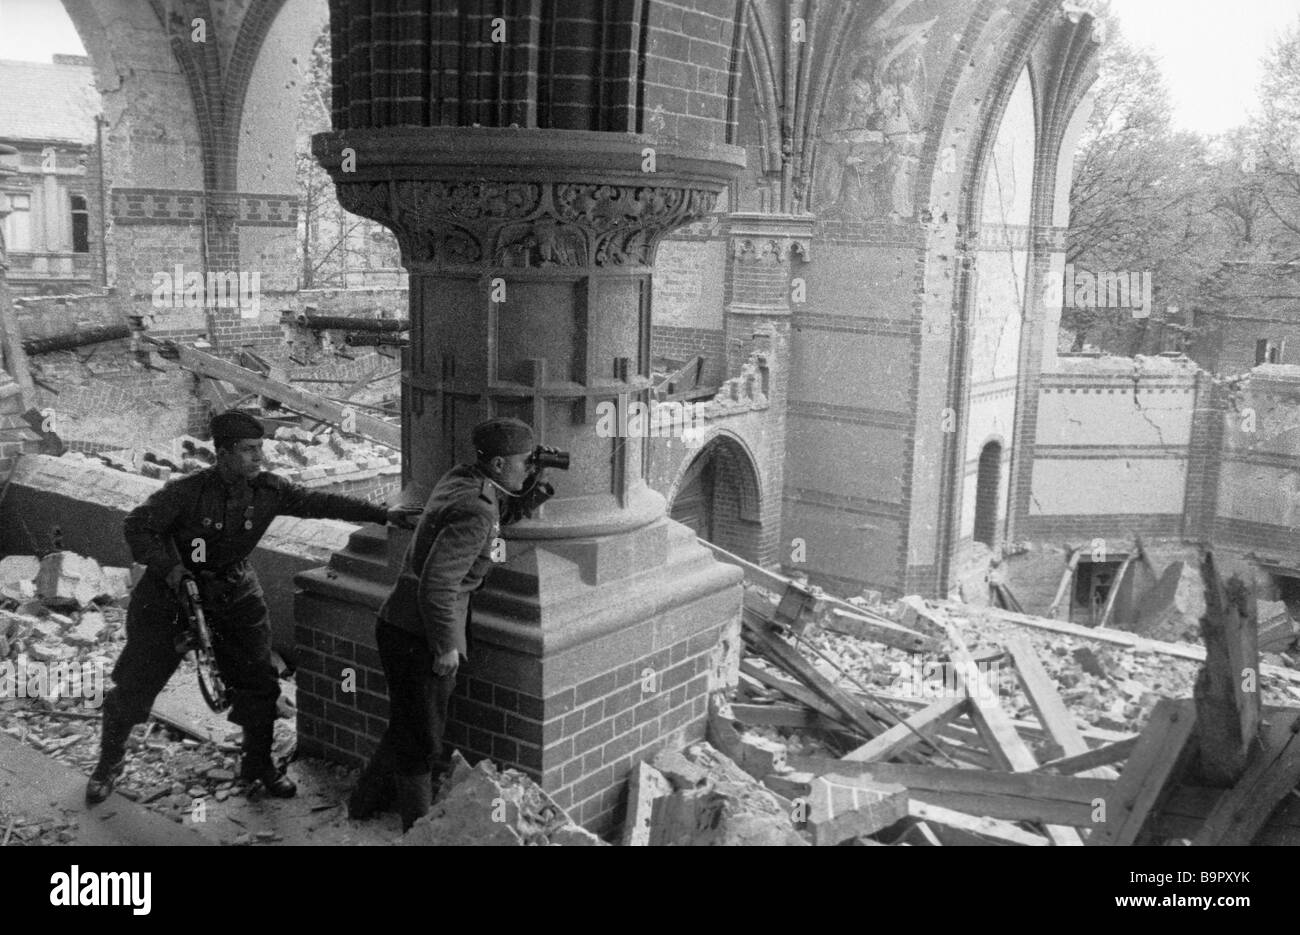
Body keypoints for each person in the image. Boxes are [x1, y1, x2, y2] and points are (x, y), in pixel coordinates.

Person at [85, 410, 418, 804]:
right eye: (248, 450)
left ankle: (257, 765)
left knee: (258, 683)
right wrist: (172, 571)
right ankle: (108, 763)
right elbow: (137, 526)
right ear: (223, 454)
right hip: (170, 599)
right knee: (136, 683)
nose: (258, 457)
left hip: (235, 595)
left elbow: (320, 502)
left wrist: (383, 513)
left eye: (260, 449)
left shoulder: (268, 490)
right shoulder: (185, 492)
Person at [348, 416, 555, 830]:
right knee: (422, 739)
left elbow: (485, 515)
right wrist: (445, 645)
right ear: (497, 465)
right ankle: (417, 830)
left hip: (399, 623)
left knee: (408, 723)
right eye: (523, 463)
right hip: (419, 634)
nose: (527, 469)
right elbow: (438, 584)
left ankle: (362, 803)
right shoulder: (477, 509)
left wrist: (526, 497)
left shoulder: (463, 479)